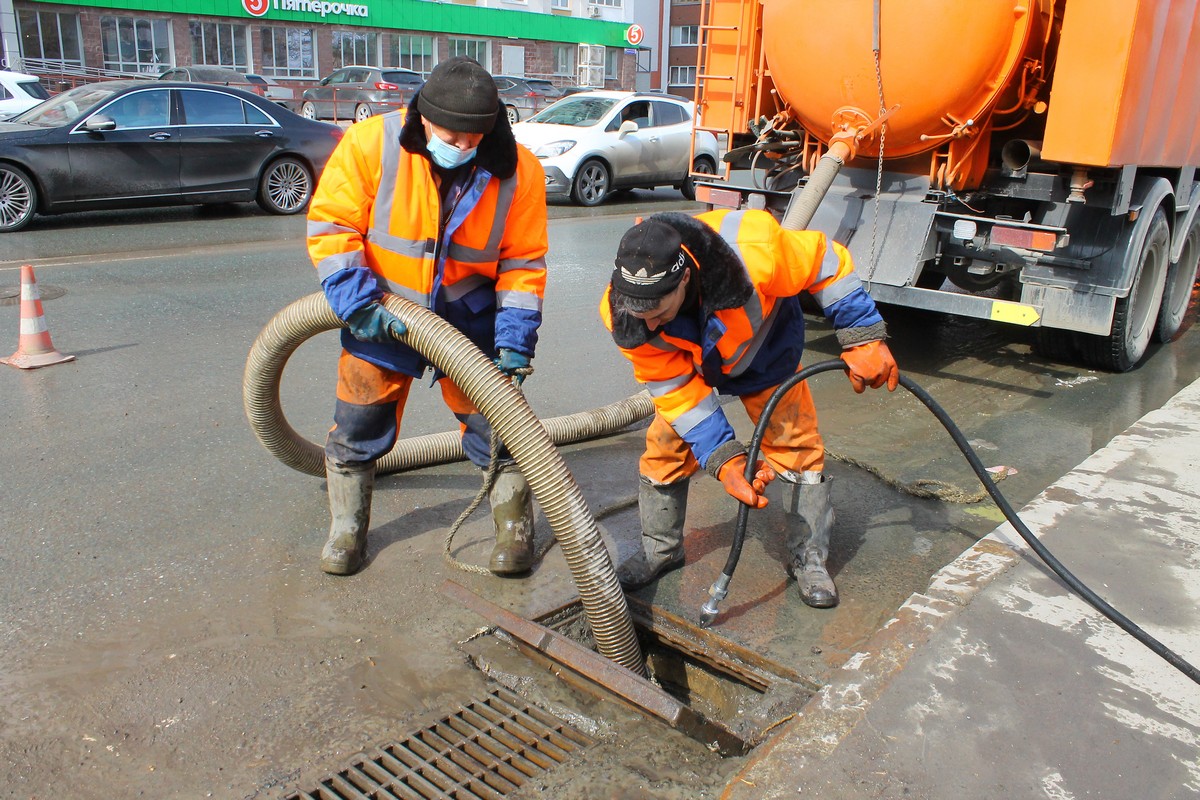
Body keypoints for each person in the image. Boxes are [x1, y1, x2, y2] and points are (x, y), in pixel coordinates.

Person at [307, 56, 549, 577]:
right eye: (451, 137)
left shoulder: (517, 169)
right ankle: (347, 532)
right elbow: (332, 227)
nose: (462, 148)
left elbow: (523, 263)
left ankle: (514, 531)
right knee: (357, 421)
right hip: (382, 311)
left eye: (473, 140)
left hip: (470, 318)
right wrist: (360, 306)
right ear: (423, 118)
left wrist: (514, 342)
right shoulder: (373, 145)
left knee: (501, 430)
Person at [599, 210, 899, 608]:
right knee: (664, 447)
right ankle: (662, 549)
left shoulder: (753, 250)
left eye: (658, 313)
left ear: (685, 277)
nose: (650, 326)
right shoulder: (627, 318)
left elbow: (825, 261)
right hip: (694, 365)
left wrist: (862, 334)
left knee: (794, 444)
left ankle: (808, 559)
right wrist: (724, 458)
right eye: (641, 315)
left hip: (765, 351)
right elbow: (676, 392)